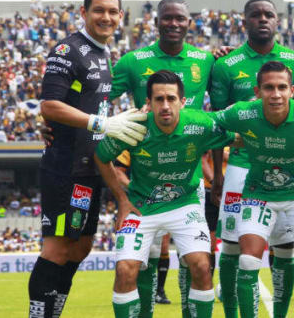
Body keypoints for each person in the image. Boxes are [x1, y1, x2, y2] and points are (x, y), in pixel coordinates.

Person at [28, 0, 147, 318]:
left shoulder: (102, 53)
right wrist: (100, 124)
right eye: (99, 10)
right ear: (84, 12)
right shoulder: (69, 49)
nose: (106, 17)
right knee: (56, 248)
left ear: (120, 16)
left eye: (112, 11)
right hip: (64, 167)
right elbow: (50, 105)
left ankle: (52, 311)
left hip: (89, 170)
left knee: (80, 247)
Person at [95, 70, 236, 318]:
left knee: (202, 266)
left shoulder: (200, 123)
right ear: (148, 103)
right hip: (142, 207)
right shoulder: (135, 126)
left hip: (185, 205)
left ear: (183, 102)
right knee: (125, 270)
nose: (165, 105)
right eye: (158, 99)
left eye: (171, 99)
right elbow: (101, 156)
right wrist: (122, 199)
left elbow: (236, 138)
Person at [109, 0, 217, 318]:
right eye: (166, 18)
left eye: (180, 18)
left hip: (188, 176)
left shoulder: (206, 60)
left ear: (189, 23)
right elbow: (99, 99)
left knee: (196, 259)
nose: (173, 23)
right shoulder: (132, 61)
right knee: (147, 256)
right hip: (145, 175)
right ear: (156, 23)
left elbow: (226, 104)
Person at [212, 60, 294, 318]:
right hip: (258, 194)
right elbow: (206, 124)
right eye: (269, 88)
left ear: (292, 91)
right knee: (248, 261)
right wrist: (230, 138)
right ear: (257, 91)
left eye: (282, 87)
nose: (276, 94)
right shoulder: (242, 113)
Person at [210, 0, 294, 318]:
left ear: (278, 21)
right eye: (256, 15)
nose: (262, 19)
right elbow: (217, 123)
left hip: (289, 169)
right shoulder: (225, 64)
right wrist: (218, 176)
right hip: (240, 166)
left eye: (269, 14)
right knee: (232, 245)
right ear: (245, 21)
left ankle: (279, 314)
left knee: (283, 247)